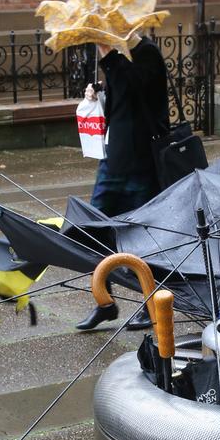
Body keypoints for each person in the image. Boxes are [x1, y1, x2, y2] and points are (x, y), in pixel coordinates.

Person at [76, 33, 169, 331]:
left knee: (144, 238)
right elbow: (122, 98)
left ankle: (151, 303)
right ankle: (104, 302)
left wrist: (109, 58)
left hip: (142, 162)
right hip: (113, 160)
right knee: (94, 229)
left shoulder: (147, 52)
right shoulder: (119, 57)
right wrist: (99, 92)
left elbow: (138, 86)